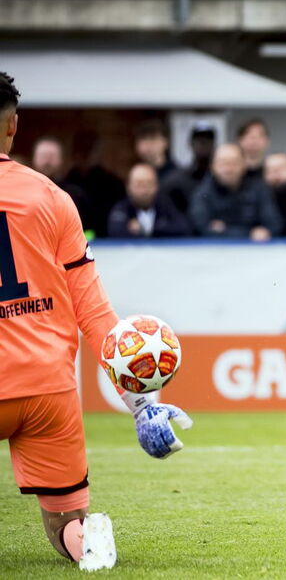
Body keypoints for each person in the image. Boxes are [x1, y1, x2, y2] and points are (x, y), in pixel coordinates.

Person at [0, 71, 192, 570]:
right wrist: (142, 404)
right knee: (63, 522)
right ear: (12, 127)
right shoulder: (54, 199)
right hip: (47, 389)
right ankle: (88, 540)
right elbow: (96, 316)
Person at [188, 143, 283, 241]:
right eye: (223, 163)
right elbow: (202, 227)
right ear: (212, 166)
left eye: (234, 163)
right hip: (214, 250)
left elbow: (274, 223)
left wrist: (225, 230)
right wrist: (250, 233)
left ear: (244, 164)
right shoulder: (202, 193)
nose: (228, 169)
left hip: (254, 250)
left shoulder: (259, 189)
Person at [107, 164, 190, 238]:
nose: (144, 190)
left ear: (156, 186)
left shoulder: (165, 205)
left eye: (149, 184)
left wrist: (148, 229)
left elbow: (183, 227)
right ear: (128, 187)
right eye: (139, 185)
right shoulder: (122, 208)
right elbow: (115, 231)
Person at [30, 137, 93, 231]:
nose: (47, 162)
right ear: (34, 159)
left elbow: (88, 229)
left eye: (52, 157)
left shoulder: (75, 194)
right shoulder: (22, 191)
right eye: (43, 156)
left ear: (61, 160)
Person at [161, 122, 216, 216]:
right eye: (199, 140)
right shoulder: (176, 180)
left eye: (208, 140)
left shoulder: (220, 179)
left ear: (214, 145)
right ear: (190, 144)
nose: (203, 144)